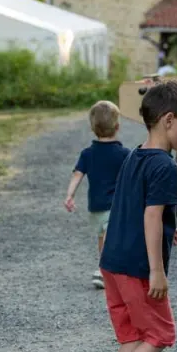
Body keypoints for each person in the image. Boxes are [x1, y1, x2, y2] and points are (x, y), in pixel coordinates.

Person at [91, 81, 177, 352]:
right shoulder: (166, 166)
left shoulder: (134, 155)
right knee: (161, 333)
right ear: (169, 120)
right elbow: (151, 216)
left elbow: (137, 207)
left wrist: (169, 228)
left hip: (112, 262)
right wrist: (157, 271)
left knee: (132, 335)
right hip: (138, 267)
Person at [64, 100, 130, 289]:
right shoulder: (124, 153)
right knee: (110, 238)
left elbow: (77, 174)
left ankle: (107, 270)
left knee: (103, 238)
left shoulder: (88, 153)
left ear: (93, 128)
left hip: (96, 207)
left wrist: (70, 195)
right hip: (115, 207)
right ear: (117, 127)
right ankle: (105, 270)